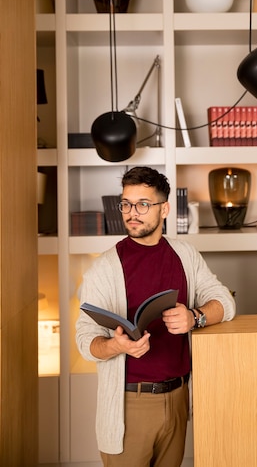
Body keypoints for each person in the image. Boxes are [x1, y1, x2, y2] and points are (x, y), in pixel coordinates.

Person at [76, 166, 236, 466]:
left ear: (164, 209)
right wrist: (116, 346)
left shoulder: (185, 254)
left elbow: (224, 302)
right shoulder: (105, 268)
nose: (131, 213)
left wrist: (194, 317)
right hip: (128, 404)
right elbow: (84, 339)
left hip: (178, 398)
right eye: (125, 203)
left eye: (142, 204)